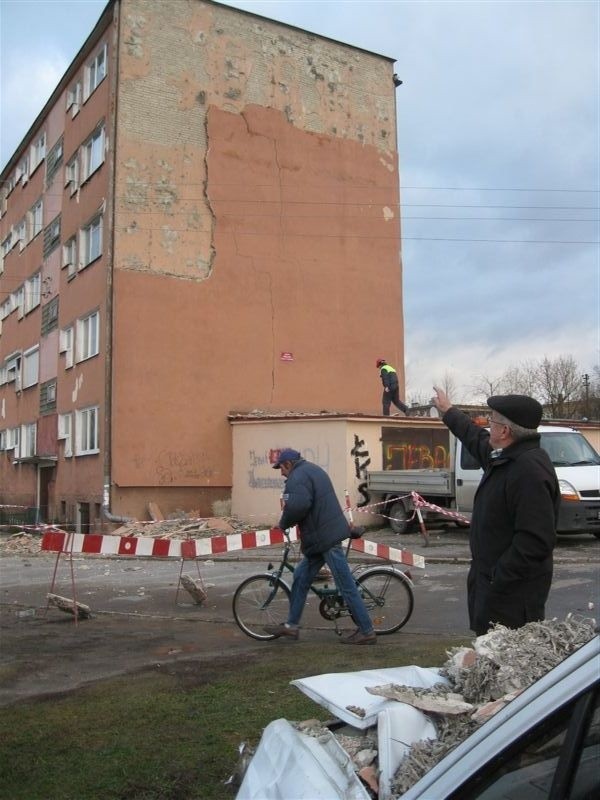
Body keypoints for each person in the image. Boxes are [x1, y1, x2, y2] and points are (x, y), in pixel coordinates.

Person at [431, 387, 560, 636]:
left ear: (504, 431)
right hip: (494, 593)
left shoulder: (528, 471)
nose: (488, 426)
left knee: (506, 667)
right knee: (486, 656)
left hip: (512, 601)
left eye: (491, 421)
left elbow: (535, 541)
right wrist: (448, 412)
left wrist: (496, 577)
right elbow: (474, 438)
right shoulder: (505, 457)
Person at [263, 448, 377, 645]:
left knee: (346, 585)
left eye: (280, 468)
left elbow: (298, 506)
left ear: (288, 464)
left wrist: (283, 524)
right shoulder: (313, 470)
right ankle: (291, 626)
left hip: (326, 538)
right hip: (321, 538)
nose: (280, 472)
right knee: (300, 577)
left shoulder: (296, 478)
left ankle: (367, 631)